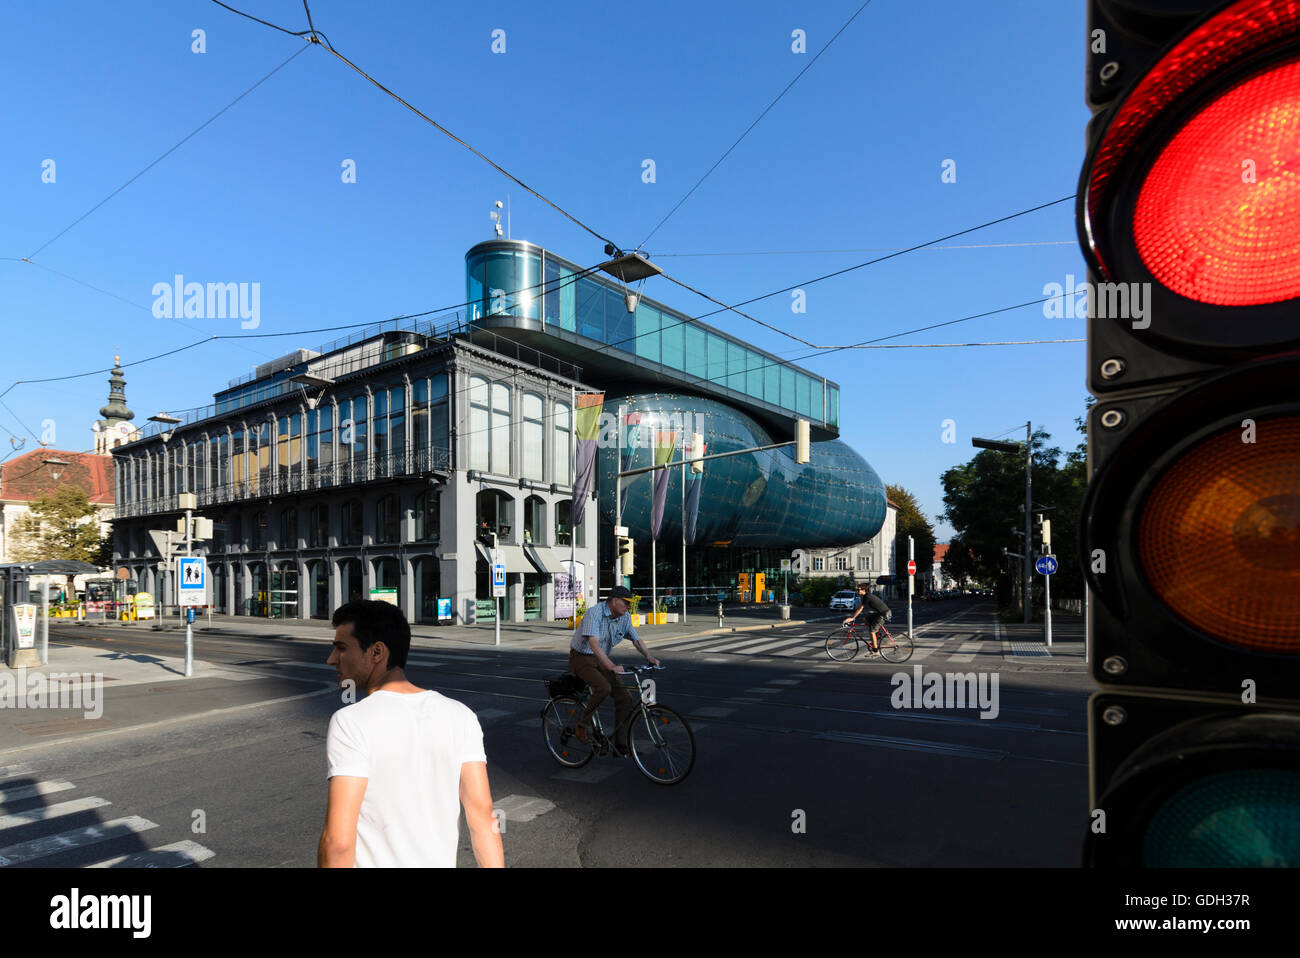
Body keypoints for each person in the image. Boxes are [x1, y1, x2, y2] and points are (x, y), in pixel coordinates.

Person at [319, 600, 504, 868]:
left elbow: (338, 843)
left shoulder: (351, 722)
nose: (331, 659)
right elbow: (484, 816)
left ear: (377, 652)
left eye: (341, 648)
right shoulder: (460, 715)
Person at [568, 585, 660, 755]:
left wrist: (649, 656)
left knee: (625, 698)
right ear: (615, 601)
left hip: (601, 658)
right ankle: (581, 725)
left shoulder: (624, 617)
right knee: (604, 687)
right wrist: (610, 666)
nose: (628, 607)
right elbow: (594, 644)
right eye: (626, 603)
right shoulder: (594, 614)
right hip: (581, 657)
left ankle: (621, 743)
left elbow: (636, 639)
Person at [843, 582, 891, 652]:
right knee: (865, 619)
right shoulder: (866, 596)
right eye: (857, 590)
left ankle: (875, 649)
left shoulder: (867, 597)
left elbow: (860, 608)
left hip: (884, 614)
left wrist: (853, 618)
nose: (857, 591)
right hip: (880, 613)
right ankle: (878, 635)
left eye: (859, 590)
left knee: (872, 632)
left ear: (864, 590)